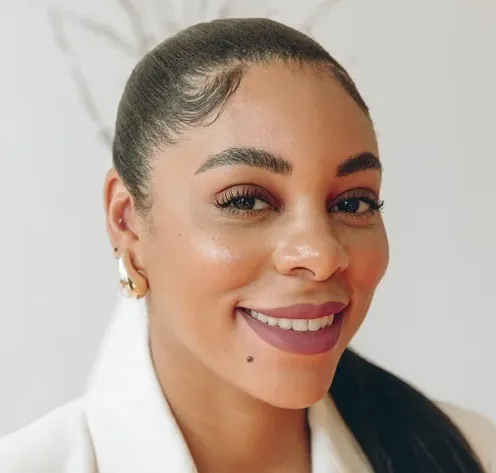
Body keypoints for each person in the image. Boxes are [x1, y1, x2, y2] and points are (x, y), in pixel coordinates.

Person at [1, 17, 494, 473]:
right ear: (127, 223)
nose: (322, 255)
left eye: (353, 202)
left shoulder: (475, 452)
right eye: (246, 200)